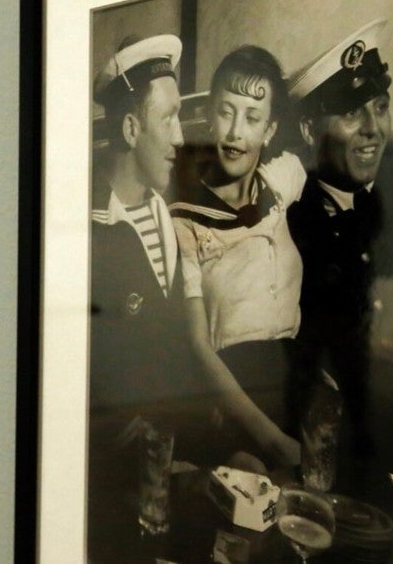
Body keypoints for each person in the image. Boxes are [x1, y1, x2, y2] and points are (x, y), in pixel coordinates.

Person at [285, 18, 393, 498]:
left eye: (381, 108)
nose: (373, 129)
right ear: (306, 129)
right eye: (352, 113)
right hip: (332, 478)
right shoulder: (288, 218)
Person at [87, 34, 211, 560]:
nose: (181, 138)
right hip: (102, 494)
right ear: (131, 128)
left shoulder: (163, 212)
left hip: (163, 477)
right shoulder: (84, 229)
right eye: (170, 119)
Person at [169, 46, 306, 469]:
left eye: (252, 117)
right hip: (233, 401)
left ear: (270, 130)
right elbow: (197, 346)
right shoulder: (184, 218)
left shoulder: (285, 178)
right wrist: (275, 442)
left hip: (298, 384)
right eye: (226, 112)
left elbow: (341, 138)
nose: (235, 132)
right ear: (210, 115)